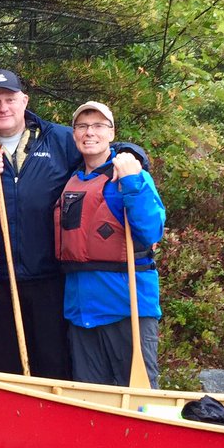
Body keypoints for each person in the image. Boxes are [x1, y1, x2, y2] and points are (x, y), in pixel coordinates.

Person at [0, 69, 81, 379]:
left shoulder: (60, 139)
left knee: (53, 364)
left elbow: (101, 153)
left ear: (24, 101)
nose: (3, 108)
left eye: (10, 100)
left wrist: (132, 155)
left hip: (49, 278)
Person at [55, 101, 165, 387]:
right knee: (91, 399)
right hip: (81, 312)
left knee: (138, 399)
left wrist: (133, 182)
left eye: (98, 126)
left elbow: (151, 231)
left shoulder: (133, 176)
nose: (89, 132)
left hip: (127, 308)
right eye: (82, 126)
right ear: (74, 134)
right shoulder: (72, 179)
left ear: (112, 132)